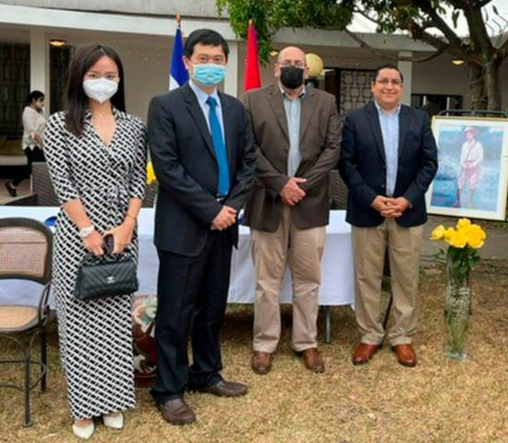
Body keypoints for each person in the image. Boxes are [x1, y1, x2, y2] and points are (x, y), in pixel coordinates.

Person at [148, 29, 256, 426]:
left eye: (218, 59)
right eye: (203, 58)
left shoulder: (234, 109)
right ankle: (169, 389)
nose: (211, 65)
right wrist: (210, 210)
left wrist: (231, 208)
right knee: (176, 313)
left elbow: (249, 162)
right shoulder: (165, 105)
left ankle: (206, 373)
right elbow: (167, 168)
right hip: (184, 227)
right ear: (187, 63)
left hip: (224, 224)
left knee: (212, 309)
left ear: (226, 63)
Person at [42, 44, 147, 440]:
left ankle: (114, 400)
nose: (103, 81)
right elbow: (63, 184)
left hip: (122, 234)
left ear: (119, 80)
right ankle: (84, 407)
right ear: (79, 76)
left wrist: (126, 226)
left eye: (111, 75)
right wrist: (87, 230)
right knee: (80, 322)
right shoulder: (60, 124)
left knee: (115, 321)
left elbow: (139, 180)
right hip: (77, 236)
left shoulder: (134, 125)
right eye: (96, 74)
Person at [241, 46, 341, 374]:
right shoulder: (253, 100)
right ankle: (264, 344)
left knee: (308, 279)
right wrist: (280, 183)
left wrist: (302, 185)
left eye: (299, 64)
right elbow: (248, 148)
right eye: (288, 63)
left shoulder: (325, 103)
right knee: (266, 281)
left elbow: (332, 148)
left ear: (308, 70)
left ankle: (306, 342)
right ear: (276, 68)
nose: (294, 68)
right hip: (268, 201)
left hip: (309, 204)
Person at [339, 65, 438, 367]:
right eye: (383, 81)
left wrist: (406, 200)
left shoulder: (418, 119)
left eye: (395, 81)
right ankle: (369, 335)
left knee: (406, 278)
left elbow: (429, 164)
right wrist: (372, 200)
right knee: (366, 277)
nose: (389, 86)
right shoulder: (355, 120)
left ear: (402, 87)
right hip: (368, 211)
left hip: (406, 213)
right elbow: (346, 164)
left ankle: (402, 337)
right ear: (373, 86)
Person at [6, 90, 48, 197]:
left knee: (35, 166)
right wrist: (43, 145)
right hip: (31, 145)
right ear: (33, 100)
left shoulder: (39, 112)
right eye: (41, 100)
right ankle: (13, 184)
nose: (43, 103)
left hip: (38, 145)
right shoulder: (28, 112)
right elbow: (32, 132)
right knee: (36, 166)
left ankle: (13, 185)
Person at [457, 126, 484, 208]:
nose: (468, 135)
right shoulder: (464, 145)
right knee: (461, 183)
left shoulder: (478, 144)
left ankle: (470, 202)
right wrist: (463, 164)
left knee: (472, 184)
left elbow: (481, 156)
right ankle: (458, 201)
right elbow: (462, 156)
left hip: (474, 166)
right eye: (467, 133)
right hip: (465, 165)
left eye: (470, 133)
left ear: (473, 134)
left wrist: (474, 164)